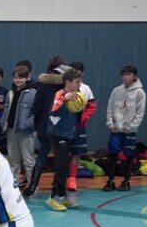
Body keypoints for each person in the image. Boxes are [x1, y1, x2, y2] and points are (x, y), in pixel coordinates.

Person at [24, 56, 67, 197]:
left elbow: (37, 106)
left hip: (44, 124)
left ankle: (32, 185)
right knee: (61, 157)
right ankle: (59, 189)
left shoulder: (41, 83)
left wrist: (37, 126)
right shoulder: (65, 85)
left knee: (42, 154)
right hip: (59, 125)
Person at [45, 68, 85, 212]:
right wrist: (64, 100)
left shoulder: (77, 95)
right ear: (68, 82)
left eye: (80, 82)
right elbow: (53, 112)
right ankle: (53, 197)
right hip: (58, 134)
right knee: (60, 166)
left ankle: (62, 196)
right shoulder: (60, 95)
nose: (79, 85)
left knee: (65, 166)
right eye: (77, 82)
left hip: (67, 134)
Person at [104, 65, 147, 192]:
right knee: (113, 153)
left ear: (134, 76)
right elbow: (110, 108)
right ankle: (110, 180)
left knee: (129, 155)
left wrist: (132, 127)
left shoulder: (140, 93)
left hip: (129, 131)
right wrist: (110, 124)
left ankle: (126, 181)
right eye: (124, 74)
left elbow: (140, 112)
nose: (125, 77)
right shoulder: (116, 91)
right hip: (116, 130)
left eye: (128, 74)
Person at [0, 65, 38, 188]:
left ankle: (32, 186)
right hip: (11, 130)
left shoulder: (32, 94)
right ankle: (13, 186)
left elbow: (37, 113)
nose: (18, 80)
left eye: (21, 78)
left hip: (26, 132)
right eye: (16, 77)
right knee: (13, 159)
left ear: (28, 78)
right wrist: (3, 123)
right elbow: (6, 110)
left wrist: (28, 125)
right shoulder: (10, 93)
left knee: (28, 160)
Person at [66, 61, 98, 192]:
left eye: (79, 71)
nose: (76, 73)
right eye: (73, 70)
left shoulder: (86, 89)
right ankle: (62, 177)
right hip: (65, 126)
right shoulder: (65, 88)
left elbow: (92, 106)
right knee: (63, 152)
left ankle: (72, 179)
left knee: (76, 152)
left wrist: (83, 118)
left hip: (79, 126)